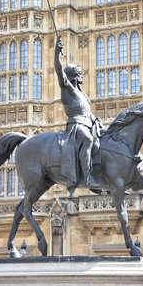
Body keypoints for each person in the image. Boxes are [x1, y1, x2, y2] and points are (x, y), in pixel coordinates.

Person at [54, 36, 101, 192]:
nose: (81, 75)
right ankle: (88, 178)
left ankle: (108, 179)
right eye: (78, 73)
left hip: (87, 124)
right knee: (87, 139)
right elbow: (59, 73)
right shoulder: (68, 89)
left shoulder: (82, 95)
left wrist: (97, 122)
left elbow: (87, 113)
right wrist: (56, 54)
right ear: (73, 75)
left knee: (104, 140)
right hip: (75, 126)